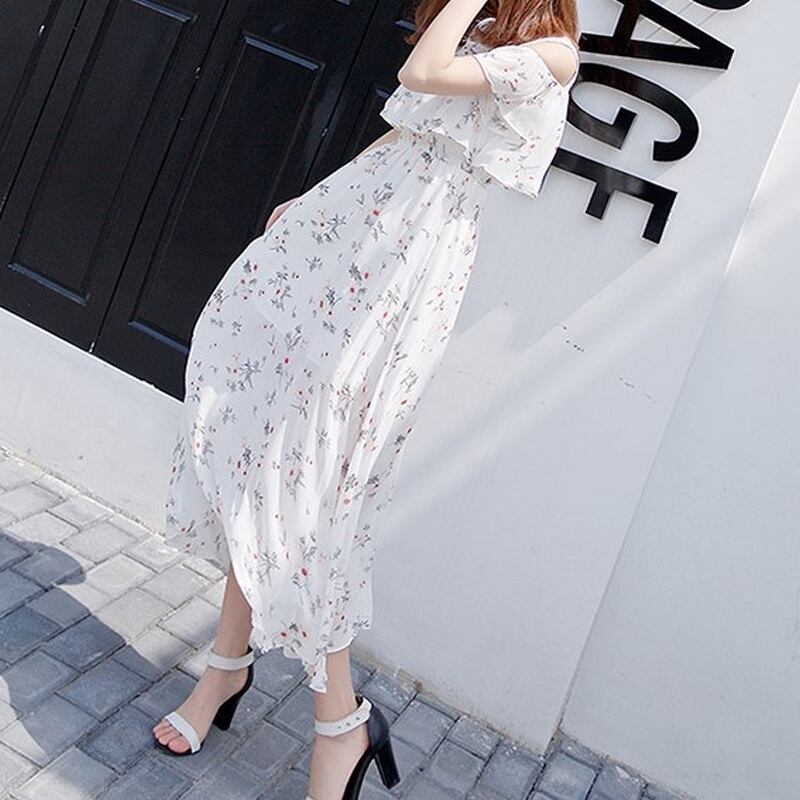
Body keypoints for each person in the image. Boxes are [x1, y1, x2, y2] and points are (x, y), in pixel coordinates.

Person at [154, 0, 580, 797]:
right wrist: (315, 200)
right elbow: (407, 125)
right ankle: (229, 668)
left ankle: (337, 723)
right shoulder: (481, 36)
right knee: (271, 444)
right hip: (349, 237)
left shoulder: (551, 55)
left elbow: (423, 72)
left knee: (318, 483)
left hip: (409, 268)